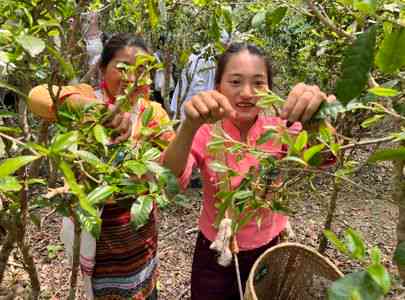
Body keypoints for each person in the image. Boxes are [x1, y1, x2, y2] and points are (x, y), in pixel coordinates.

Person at [163, 43, 335, 300]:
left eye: (258, 83)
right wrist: (188, 127)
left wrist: (317, 123)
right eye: (235, 81)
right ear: (218, 86)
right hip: (216, 253)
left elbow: (323, 157)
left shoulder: (279, 128)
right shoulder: (205, 131)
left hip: (269, 249)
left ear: (269, 90)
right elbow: (169, 182)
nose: (246, 93)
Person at [28, 33, 173, 300]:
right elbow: (36, 97)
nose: (131, 78)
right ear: (103, 68)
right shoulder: (86, 97)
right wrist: (91, 110)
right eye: (122, 68)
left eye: (141, 71)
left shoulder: (153, 113)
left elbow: (172, 170)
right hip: (98, 238)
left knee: (145, 291)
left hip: (139, 235)